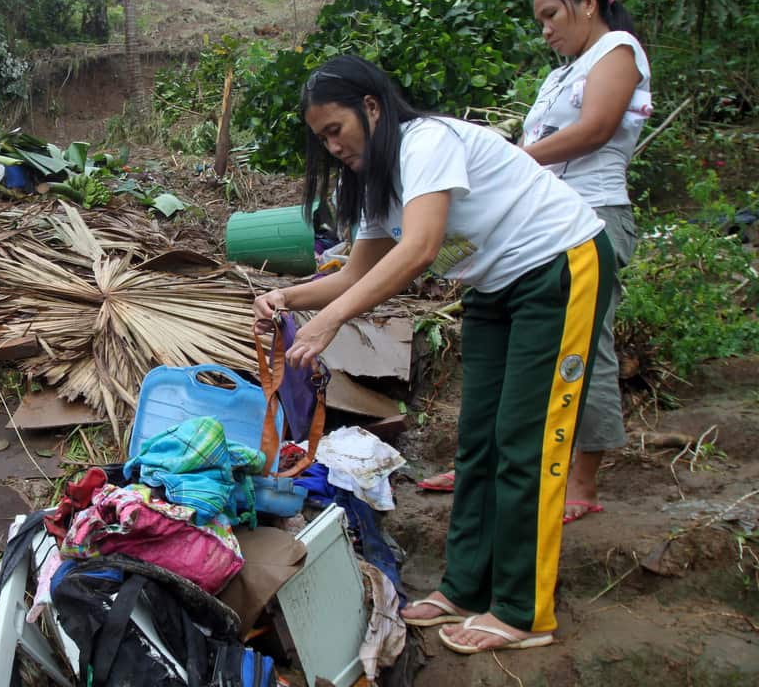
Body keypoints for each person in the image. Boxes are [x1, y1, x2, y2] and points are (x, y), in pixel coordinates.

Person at [253, 54, 613, 653]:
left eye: (335, 129)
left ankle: (526, 613)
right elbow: (353, 275)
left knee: (527, 441)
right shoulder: (375, 183)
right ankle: (466, 587)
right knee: (479, 441)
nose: (332, 146)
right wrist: (285, 296)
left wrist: (330, 324)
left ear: (371, 107)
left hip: (558, 268)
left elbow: (419, 250)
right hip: (495, 287)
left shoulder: (428, 142)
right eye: (322, 139)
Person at [419, 0, 651, 525]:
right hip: (534, 226)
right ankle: (488, 464)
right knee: (507, 352)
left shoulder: (618, 51)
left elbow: (595, 129)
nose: (545, 30)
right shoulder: (560, 76)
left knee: (584, 348)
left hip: (592, 215)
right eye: (540, 20)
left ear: (588, 4)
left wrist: (511, 159)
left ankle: (583, 481)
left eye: (551, 15)